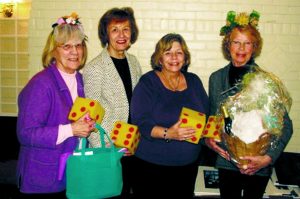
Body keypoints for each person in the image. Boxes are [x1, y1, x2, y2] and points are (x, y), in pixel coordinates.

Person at [205, 10, 293, 199]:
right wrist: (208, 139)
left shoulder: (265, 81)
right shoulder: (216, 79)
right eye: (236, 42)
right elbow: (214, 119)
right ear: (228, 46)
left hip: (257, 166)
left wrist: (267, 159)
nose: (241, 48)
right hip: (227, 163)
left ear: (255, 47)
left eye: (247, 43)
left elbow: (286, 126)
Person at [16, 13, 95, 198]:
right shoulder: (41, 84)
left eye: (78, 45)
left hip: (70, 175)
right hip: (42, 179)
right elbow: (26, 133)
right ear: (53, 50)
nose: (74, 52)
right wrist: (72, 129)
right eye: (66, 46)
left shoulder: (80, 80)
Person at [130, 33, 209, 199]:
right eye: (168, 53)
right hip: (151, 166)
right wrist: (169, 133)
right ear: (159, 58)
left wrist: (206, 132)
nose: (174, 57)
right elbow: (141, 122)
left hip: (188, 167)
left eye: (179, 52)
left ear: (185, 57)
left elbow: (206, 115)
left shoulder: (194, 81)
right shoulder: (148, 82)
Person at [82, 7, 142, 198]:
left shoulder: (133, 62)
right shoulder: (94, 68)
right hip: (108, 149)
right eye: (115, 30)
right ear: (105, 34)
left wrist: (133, 141)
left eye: (126, 29)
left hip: (132, 146)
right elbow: (91, 117)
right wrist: (111, 147)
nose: (121, 35)